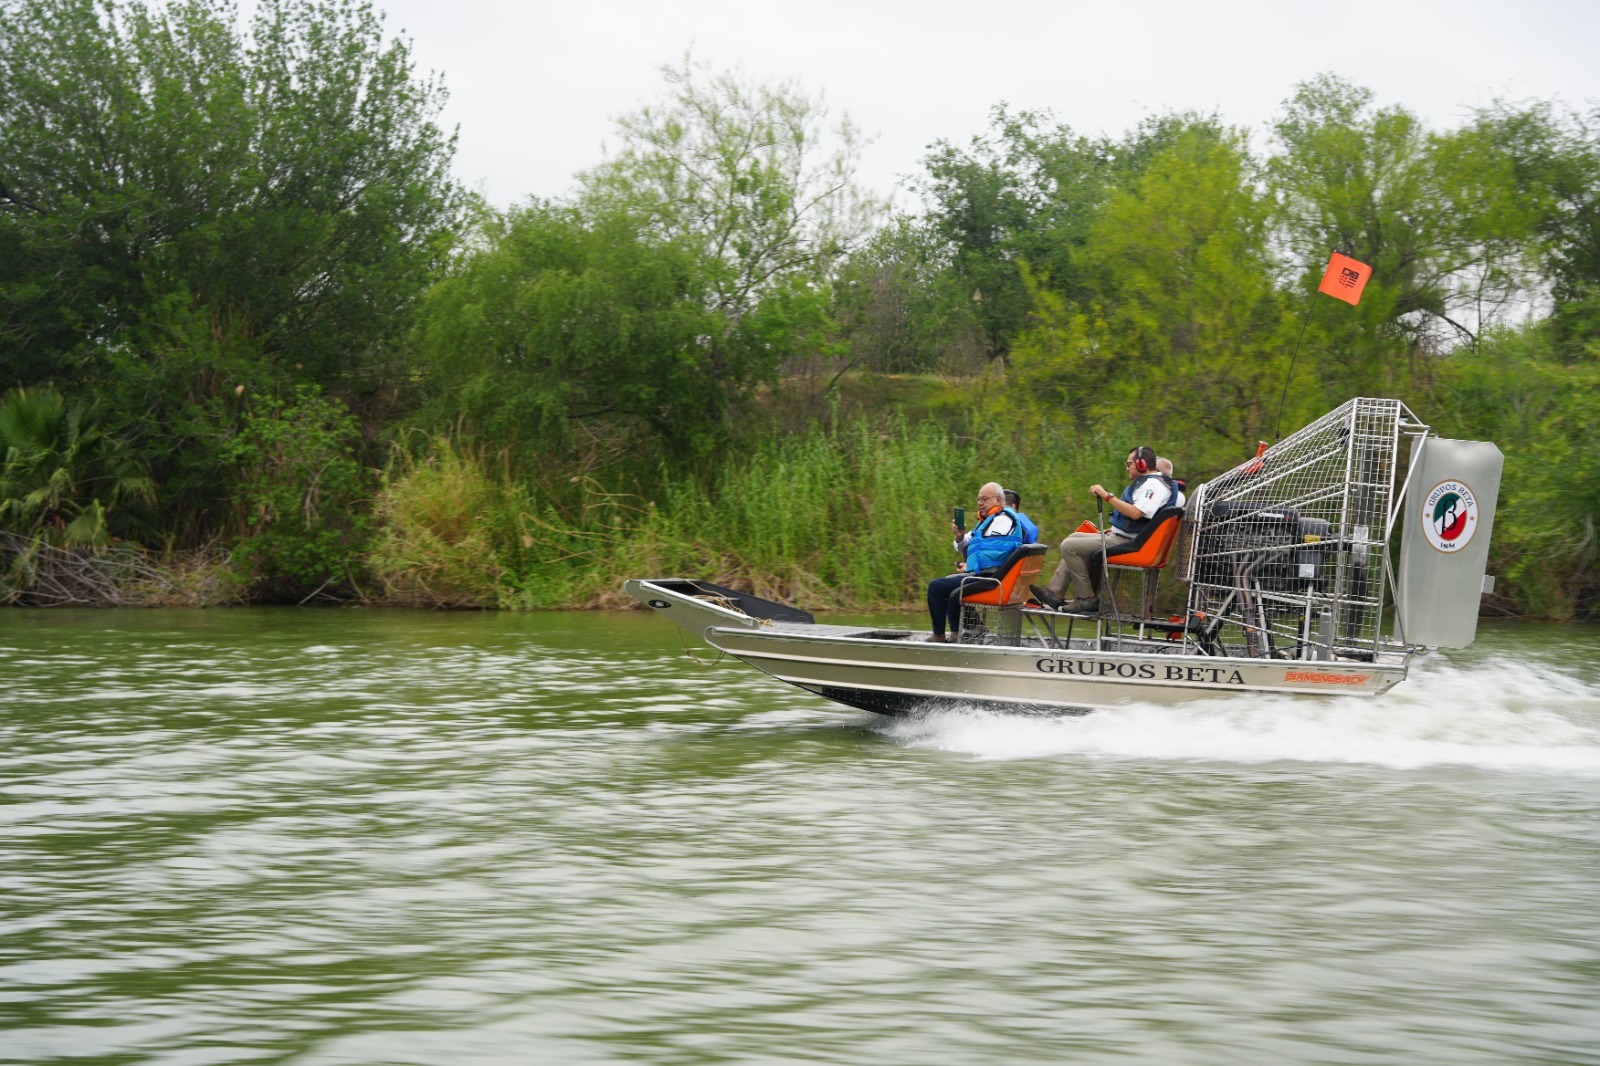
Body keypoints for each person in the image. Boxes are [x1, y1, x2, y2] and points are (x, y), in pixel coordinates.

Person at [1032, 446, 1174, 615]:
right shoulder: (1150, 483)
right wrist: (1113, 529)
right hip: (1126, 536)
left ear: (1141, 464)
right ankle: (1054, 593)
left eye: (1129, 463)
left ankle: (1086, 598)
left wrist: (1107, 496)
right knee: (1074, 537)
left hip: (1131, 543)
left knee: (1069, 546)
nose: (1127, 468)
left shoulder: (1154, 486)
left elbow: (1136, 513)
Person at [926, 482, 1023, 642]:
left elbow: (983, 545)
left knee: (936, 587)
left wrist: (970, 560)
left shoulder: (1003, 520)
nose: (980, 503)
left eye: (984, 499)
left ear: (999, 500)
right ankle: (961, 632)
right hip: (986, 575)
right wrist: (960, 536)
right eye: (978, 499)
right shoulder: (989, 521)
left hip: (992, 579)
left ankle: (939, 636)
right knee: (949, 584)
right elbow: (968, 543)